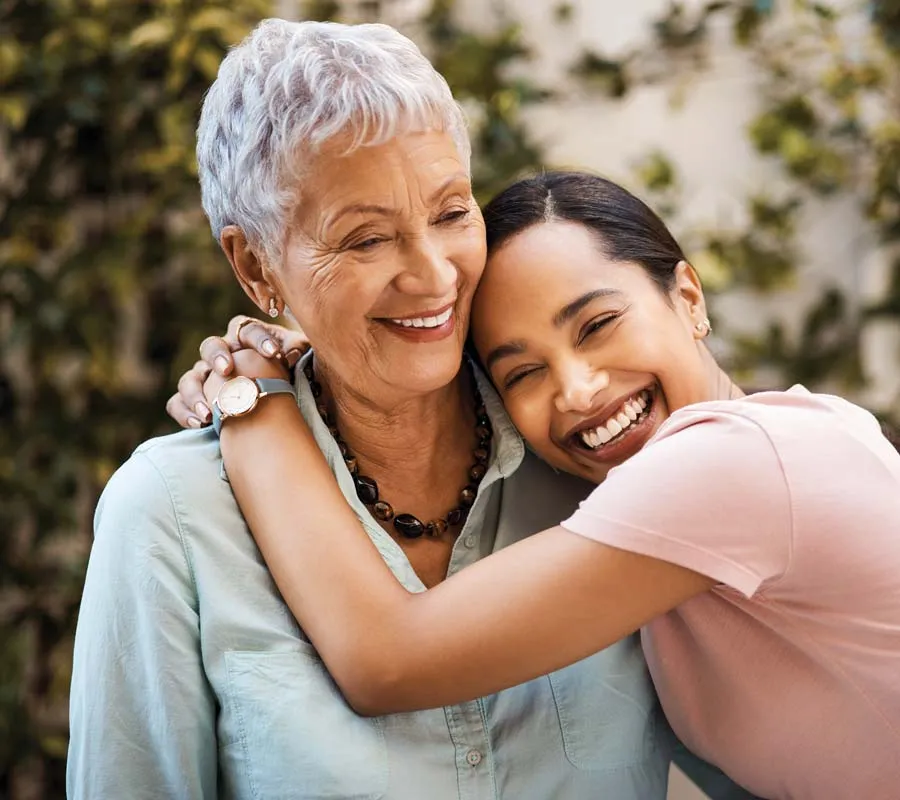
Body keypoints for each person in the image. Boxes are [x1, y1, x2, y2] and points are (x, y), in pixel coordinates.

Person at [67, 19, 747, 800]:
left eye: (453, 213)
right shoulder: (170, 520)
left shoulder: (592, 452)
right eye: (364, 241)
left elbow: (777, 753)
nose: (433, 277)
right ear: (256, 267)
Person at [178, 171, 900, 800]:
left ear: (687, 297)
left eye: (597, 324)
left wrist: (256, 402)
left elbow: (386, 661)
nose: (579, 391)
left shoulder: (739, 463)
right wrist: (336, 359)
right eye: (522, 372)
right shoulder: (647, 529)